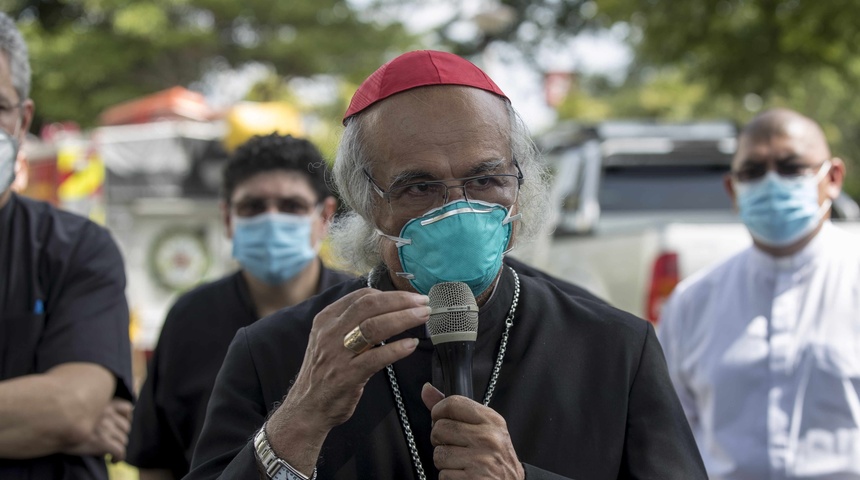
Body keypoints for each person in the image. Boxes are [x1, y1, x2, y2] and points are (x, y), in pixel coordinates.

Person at [186, 50, 706, 480]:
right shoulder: (275, 353)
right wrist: (299, 421)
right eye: (420, 186)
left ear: (519, 188)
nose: (456, 207)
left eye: (485, 180)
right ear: (368, 203)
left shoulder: (614, 348)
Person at [126, 133, 354, 479]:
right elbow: (157, 459)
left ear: (324, 215)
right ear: (228, 218)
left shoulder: (356, 312)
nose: (271, 220)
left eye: (291, 206)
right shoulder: (190, 319)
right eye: (253, 207)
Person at [658, 108, 860, 478]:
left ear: (832, 177)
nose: (772, 182)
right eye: (753, 171)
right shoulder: (693, 303)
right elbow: (670, 438)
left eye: (791, 167)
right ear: (733, 189)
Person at [0, 12, 134, 479]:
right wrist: (34, 418)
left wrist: (65, 417)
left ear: (22, 120)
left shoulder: (78, 247)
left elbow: (72, 407)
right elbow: (67, 416)